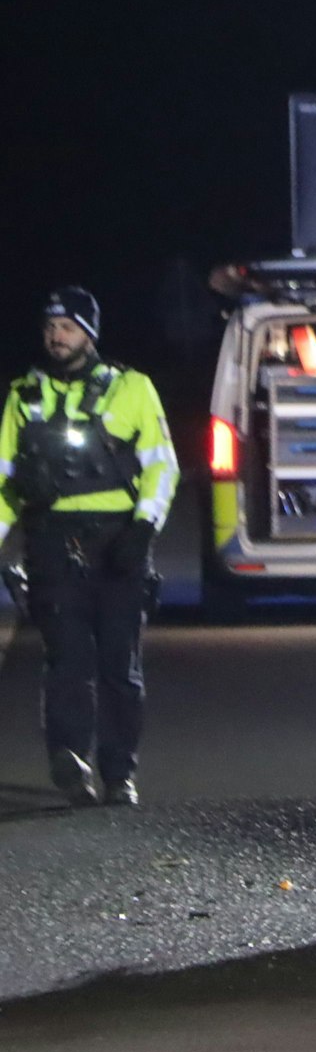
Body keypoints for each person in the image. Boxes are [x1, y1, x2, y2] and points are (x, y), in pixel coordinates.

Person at [0, 288, 179, 806]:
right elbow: (6, 482)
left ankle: (120, 773)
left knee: (120, 667)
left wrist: (143, 530)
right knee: (66, 662)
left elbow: (162, 466)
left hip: (118, 541)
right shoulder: (22, 396)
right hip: (52, 544)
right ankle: (71, 763)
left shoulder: (132, 388)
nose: (56, 336)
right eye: (50, 327)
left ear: (90, 333)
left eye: (68, 327)